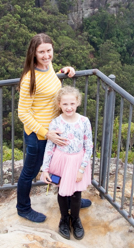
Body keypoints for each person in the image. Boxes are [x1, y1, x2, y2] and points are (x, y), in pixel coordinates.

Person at [16, 33, 91, 222]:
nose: (46, 55)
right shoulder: (29, 78)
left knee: (60, 166)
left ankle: (71, 196)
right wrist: (46, 133)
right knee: (30, 173)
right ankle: (23, 208)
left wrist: (66, 70)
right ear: (33, 53)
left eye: (49, 51)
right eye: (41, 52)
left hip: (55, 130)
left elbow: (51, 86)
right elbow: (23, 113)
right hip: (39, 135)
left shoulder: (47, 67)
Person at [40, 86, 92, 240]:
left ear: (77, 103)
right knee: (62, 192)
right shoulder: (55, 122)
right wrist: (45, 168)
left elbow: (88, 146)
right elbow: (50, 146)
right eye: (65, 104)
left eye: (72, 104)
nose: (69, 108)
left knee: (76, 193)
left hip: (77, 163)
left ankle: (75, 219)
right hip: (60, 161)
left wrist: (82, 169)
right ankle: (64, 219)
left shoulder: (84, 121)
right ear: (59, 105)